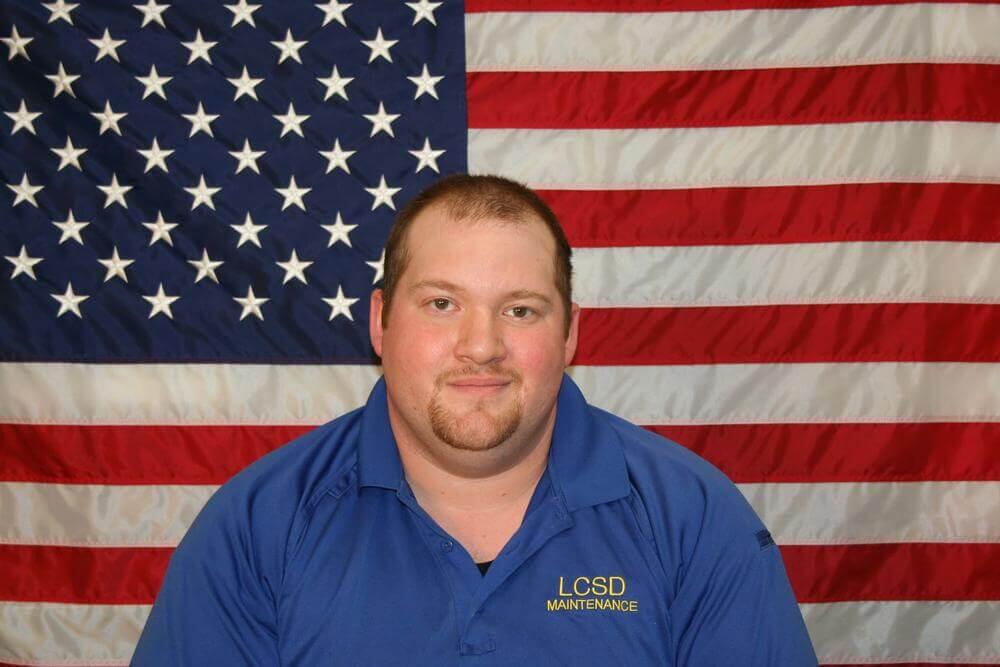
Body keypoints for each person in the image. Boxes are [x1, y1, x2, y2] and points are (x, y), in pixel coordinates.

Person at [132, 175, 818, 665]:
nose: (481, 344)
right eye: (441, 304)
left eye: (520, 309)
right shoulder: (257, 526)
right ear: (380, 320)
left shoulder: (695, 520)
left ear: (572, 334)